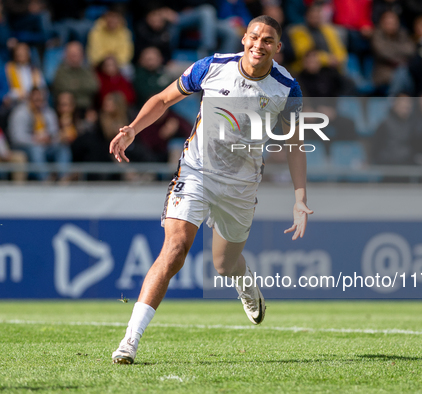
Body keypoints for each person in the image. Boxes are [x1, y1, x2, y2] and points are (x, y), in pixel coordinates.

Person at [109, 15, 312, 364]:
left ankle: (245, 283)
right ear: (243, 39)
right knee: (174, 248)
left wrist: (300, 198)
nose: (258, 45)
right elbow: (163, 99)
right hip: (196, 171)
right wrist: (133, 130)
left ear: (277, 48)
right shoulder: (212, 67)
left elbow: (294, 145)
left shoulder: (287, 89)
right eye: (253, 37)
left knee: (224, 264)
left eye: (267, 41)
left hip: (241, 186)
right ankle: (130, 341)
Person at [8, 87, 71, 181]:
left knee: (62, 148)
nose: (39, 102)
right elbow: (17, 138)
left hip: (45, 146)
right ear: (29, 98)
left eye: (42, 99)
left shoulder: (49, 112)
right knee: (36, 149)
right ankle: (45, 179)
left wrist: (50, 139)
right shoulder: (20, 113)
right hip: (25, 146)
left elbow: (55, 134)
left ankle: (63, 178)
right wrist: (35, 139)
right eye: (36, 99)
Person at [52, 41, 99, 116]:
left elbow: (94, 86)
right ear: (66, 55)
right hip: (69, 109)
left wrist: (75, 85)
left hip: (87, 108)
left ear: (82, 55)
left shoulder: (87, 70)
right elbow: (63, 88)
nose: (75, 58)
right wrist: (83, 88)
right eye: (72, 55)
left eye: (77, 54)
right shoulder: (60, 71)